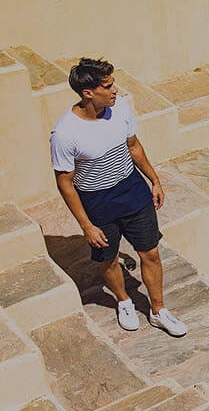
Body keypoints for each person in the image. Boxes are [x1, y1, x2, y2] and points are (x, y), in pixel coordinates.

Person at [50, 57, 187, 337]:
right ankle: (124, 301)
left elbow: (133, 146)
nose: (115, 90)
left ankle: (158, 311)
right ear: (88, 93)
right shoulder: (65, 134)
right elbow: (64, 182)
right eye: (108, 86)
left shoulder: (120, 107)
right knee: (108, 260)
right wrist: (86, 226)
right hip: (97, 201)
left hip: (132, 188)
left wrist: (154, 179)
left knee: (150, 252)